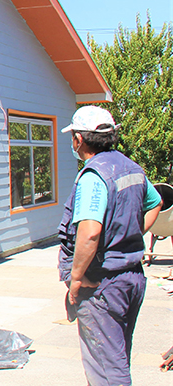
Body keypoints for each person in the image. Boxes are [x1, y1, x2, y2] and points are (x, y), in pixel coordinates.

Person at [57, 105, 163, 385]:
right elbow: (155, 203)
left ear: (79, 139)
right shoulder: (130, 167)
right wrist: (130, 233)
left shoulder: (94, 175)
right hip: (131, 279)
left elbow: (90, 234)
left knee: (107, 370)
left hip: (103, 284)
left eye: (73, 138)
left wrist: (77, 279)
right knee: (116, 357)